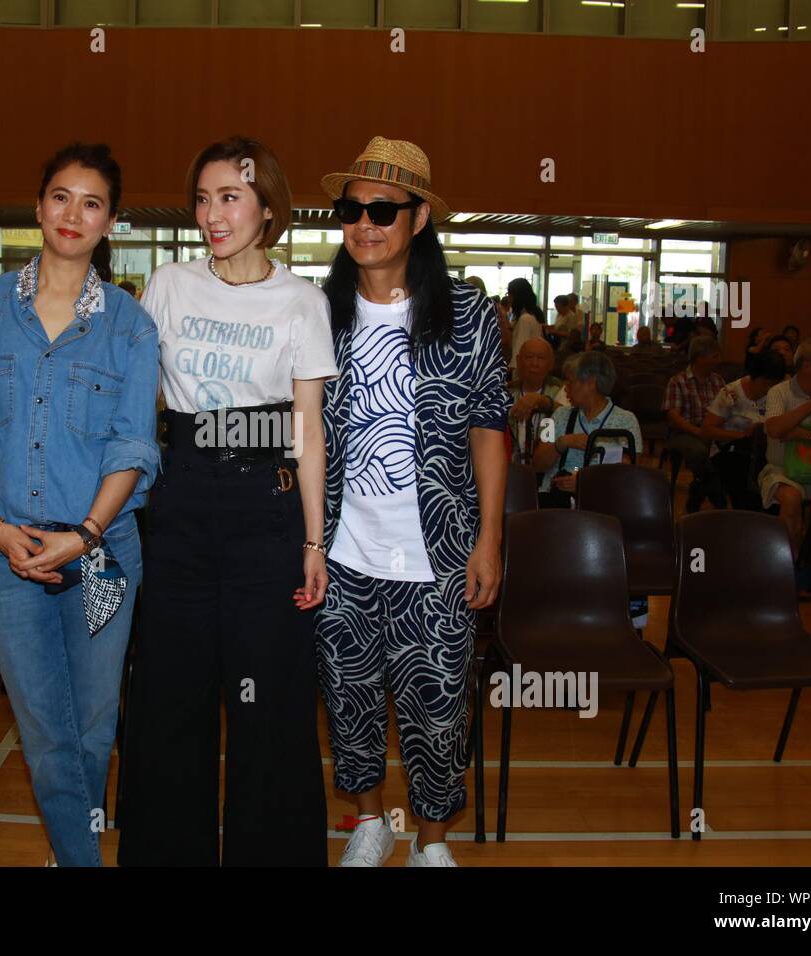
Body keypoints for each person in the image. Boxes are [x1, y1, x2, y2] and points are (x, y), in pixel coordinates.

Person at [0, 142, 160, 867]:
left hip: (102, 559)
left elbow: (134, 446)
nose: (73, 214)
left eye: (91, 203)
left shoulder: (131, 326)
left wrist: (88, 535)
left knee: (93, 724)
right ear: (38, 208)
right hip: (5, 556)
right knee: (46, 727)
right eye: (60, 196)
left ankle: (71, 855)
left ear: (109, 221)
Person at [117, 136, 335, 867]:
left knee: (267, 705)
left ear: (267, 206)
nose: (214, 213)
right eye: (204, 198)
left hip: (265, 515)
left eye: (231, 197)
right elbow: (141, 409)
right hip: (179, 508)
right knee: (170, 699)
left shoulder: (302, 301)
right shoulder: (170, 283)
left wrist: (314, 543)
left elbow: (305, 430)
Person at [314, 136, 508, 867]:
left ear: (418, 219)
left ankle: (430, 841)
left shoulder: (466, 312)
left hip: (439, 552)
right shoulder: (318, 311)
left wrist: (489, 539)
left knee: (436, 709)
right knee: (350, 697)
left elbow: (490, 426)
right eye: (352, 209)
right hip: (342, 552)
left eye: (383, 210)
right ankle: (368, 821)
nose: (365, 223)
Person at [760, 339, 811, 581]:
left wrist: (796, 431)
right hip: (780, 470)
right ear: (808, 366)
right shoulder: (780, 392)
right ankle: (786, 568)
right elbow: (775, 429)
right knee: (792, 498)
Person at [532, 351, 641, 507]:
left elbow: (629, 475)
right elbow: (537, 464)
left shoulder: (626, 420)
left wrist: (586, 481)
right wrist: (562, 442)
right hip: (554, 498)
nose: (565, 389)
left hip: (602, 500)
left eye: (570, 382)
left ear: (590, 383)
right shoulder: (557, 415)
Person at [698, 350, 786, 510]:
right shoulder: (731, 393)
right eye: (765, 383)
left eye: (773, 384)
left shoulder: (778, 395)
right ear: (755, 376)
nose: (769, 389)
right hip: (730, 453)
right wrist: (741, 435)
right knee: (745, 479)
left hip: (763, 455)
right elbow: (707, 430)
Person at [664, 335, 728, 513]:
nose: (719, 361)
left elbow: (727, 411)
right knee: (698, 451)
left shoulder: (718, 381)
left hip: (712, 430)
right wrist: (698, 431)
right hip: (683, 432)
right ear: (700, 357)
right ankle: (717, 495)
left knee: (732, 450)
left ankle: (698, 491)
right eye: (714, 356)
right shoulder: (678, 381)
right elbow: (673, 416)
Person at [509, 337, 568, 462]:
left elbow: (569, 415)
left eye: (541, 358)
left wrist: (541, 401)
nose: (534, 363)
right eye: (529, 357)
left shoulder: (562, 390)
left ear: (551, 363)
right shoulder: (506, 392)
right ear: (518, 361)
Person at [503, 277, 543, 372]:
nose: (509, 298)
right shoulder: (531, 316)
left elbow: (519, 351)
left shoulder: (525, 319)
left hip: (522, 371)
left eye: (510, 294)